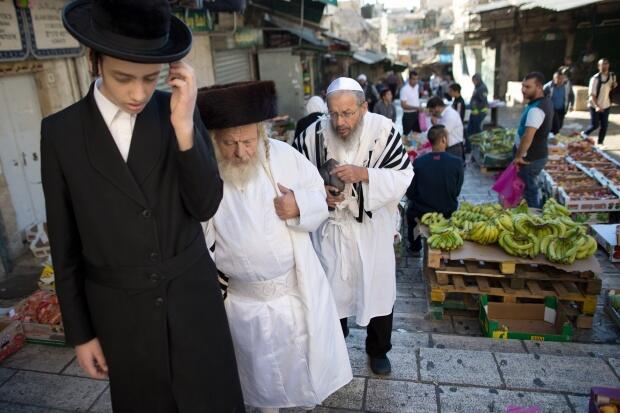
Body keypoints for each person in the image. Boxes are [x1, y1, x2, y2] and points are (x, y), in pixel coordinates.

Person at [40, 0, 244, 411]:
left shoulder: (177, 113)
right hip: (122, 316)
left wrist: (185, 128)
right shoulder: (61, 133)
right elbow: (65, 247)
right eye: (123, 78)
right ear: (94, 61)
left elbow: (206, 205)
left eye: (151, 79)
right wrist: (81, 333)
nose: (137, 93)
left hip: (192, 304)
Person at [198, 81, 352, 413]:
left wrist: (298, 205)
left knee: (299, 376)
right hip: (241, 304)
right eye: (229, 143)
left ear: (261, 134)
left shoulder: (284, 157)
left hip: (292, 299)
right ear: (214, 139)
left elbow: (319, 196)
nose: (240, 152)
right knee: (256, 381)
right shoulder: (206, 169)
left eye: (248, 142)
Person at [293, 77, 413, 376]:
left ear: (364, 107)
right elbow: (295, 178)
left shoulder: (384, 132)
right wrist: (321, 195)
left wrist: (364, 174)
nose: (340, 121)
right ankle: (335, 347)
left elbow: (403, 176)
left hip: (372, 230)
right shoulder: (312, 135)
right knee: (332, 292)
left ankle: (378, 350)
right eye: (333, 113)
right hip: (332, 230)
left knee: (378, 289)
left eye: (347, 113)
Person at [406, 125, 464, 253]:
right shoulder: (457, 162)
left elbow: (411, 192)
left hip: (422, 211)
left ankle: (415, 247)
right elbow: (456, 191)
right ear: (443, 140)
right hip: (447, 211)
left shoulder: (419, 162)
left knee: (410, 212)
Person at [513, 72, 553, 208]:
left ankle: (535, 220)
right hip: (536, 155)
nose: (524, 90)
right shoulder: (542, 102)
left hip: (529, 159)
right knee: (529, 188)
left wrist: (518, 156)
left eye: (528, 87)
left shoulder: (537, 109)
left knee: (530, 191)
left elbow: (527, 136)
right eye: (523, 86)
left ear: (539, 87)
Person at [581, 58, 617, 145]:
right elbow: (592, 95)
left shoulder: (612, 76)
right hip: (594, 105)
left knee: (604, 126)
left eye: (606, 63)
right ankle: (583, 135)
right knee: (595, 125)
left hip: (606, 104)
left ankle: (600, 143)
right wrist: (597, 106)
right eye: (603, 64)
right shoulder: (595, 78)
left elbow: (612, 86)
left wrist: (614, 85)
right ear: (599, 66)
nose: (605, 65)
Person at [427, 96, 464, 160]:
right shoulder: (442, 114)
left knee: (453, 168)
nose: (432, 113)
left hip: (453, 148)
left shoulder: (450, 115)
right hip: (447, 146)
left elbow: (441, 133)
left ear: (437, 107)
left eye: (432, 111)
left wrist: (434, 124)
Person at [466, 73, 488, 139]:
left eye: (473, 81)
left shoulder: (482, 88)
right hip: (474, 112)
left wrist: (476, 109)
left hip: (479, 113)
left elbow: (483, 101)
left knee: (477, 131)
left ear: (477, 80)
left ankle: (478, 144)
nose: (473, 82)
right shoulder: (477, 86)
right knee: (470, 130)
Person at [401, 71, 422, 135]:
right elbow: (403, 105)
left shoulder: (417, 86)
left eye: (417, 79)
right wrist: (416, 107)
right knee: (407, 135)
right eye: (413, 79)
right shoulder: (404, 89)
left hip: (417, 114)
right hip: (408, 115)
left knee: (417, 134)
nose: (415, 81)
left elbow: (415, 100)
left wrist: (419, 107)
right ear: (409, 79)